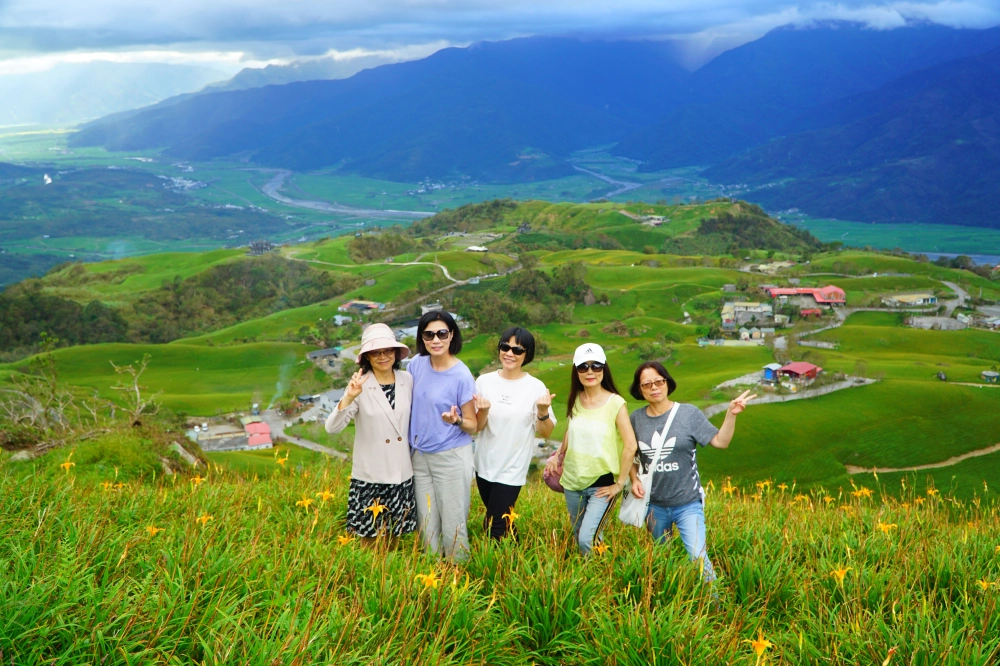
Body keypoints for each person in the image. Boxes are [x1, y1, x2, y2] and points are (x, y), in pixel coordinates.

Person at [627, 361, 755, 582]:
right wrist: (634, 478)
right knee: (662, 558)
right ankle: (674, 601)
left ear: (667, 383)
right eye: (647, 384)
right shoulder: (636, 419)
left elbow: (720, 442)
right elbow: (629, 454)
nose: (654, 387)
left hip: (687, 503)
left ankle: (716, 608)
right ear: (639, 390)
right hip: (653, 505)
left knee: (698, 557)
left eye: (659, 381)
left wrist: (731, 415)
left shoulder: (688, 414)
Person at [325, 323, 416, 546]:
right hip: (372, 476)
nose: (383, 356)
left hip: (400, 472)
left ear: (396, 353)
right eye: (375, 352)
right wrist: (348, 397)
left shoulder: (407, 380)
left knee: (395, 539)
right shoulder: (360, 385)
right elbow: (332, 428)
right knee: (370, 543)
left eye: (387, 350)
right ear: (367, 357)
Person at [544, 343, 638, 555]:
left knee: (588, 538)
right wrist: (557, 455)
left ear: (604, 369)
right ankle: (592, 579)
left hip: (602, 485)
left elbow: (630, 445)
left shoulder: (616, 403)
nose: (590, 372)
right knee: (579, 535)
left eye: (596, 366)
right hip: (572, 482)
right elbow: (571, 431)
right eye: (583, 367)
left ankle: (604, 581)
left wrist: (619, 484)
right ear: (576, 371)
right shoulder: (576, 399)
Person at [473, 327, 556, 540]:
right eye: (505, 347)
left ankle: (496, 571)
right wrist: (482, 411)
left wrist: (543, 411)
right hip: (484, 465)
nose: (509, 353)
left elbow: (545, 432)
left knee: (495, 527)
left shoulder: (535, 387)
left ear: (527, 354)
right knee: (501, 520)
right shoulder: (484, 381)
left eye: (517, 350)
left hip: (512, 468)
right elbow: (477, 427)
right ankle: (519, 560)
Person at [408, 310, 478, 561]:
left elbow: (474, 424)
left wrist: (456, 420)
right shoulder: (416, 364)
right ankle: (433, 576)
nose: (435, 339)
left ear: (451, 336)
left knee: (453, 522)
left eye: (442, 333)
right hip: (420, 456)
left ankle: (459, 575)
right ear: (422, 338)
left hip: (450, 456)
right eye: (429, 334)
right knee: (426, 523)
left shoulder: (461, 375)